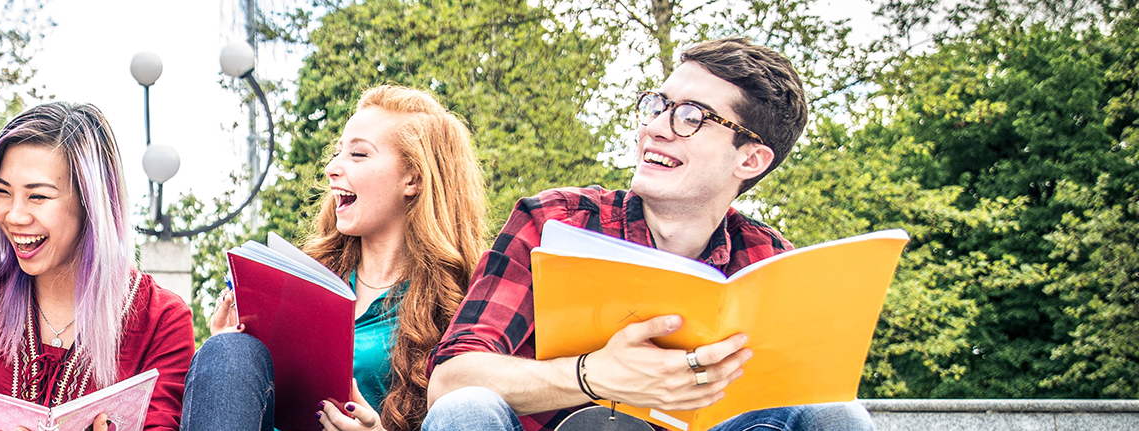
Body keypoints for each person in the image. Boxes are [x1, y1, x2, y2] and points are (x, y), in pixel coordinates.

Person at [423, 38, 873, 431]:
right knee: (467, 406)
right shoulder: (554, 219)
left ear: (750, 160)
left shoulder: (768, 259)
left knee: (837, 413)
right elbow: (449, 381)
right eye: (659, 106)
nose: (655, 128)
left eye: (692, 117)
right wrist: (593, 375)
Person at [184, 85, 492, 431]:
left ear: (414, 179)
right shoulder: (305, 280)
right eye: (337, 152)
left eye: (358, 155)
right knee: (228, 354)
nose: (331, 168)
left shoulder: (465, 304)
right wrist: (235, 355)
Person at [0, 102, 195, 431]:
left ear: (91, 203)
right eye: (2, 192)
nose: (14, 216)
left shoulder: (161, 320)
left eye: (37, 196)